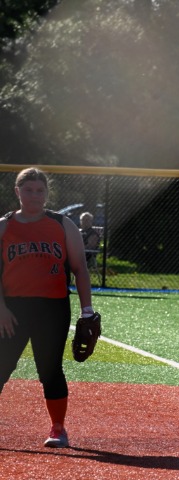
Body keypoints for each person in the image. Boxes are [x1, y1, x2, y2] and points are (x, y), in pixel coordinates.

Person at [0, 168, 96, 448]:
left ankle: (58, 428)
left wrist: (87, 310)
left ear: (47, 193)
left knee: (50, 369)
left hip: (52, 308)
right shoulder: (4, 226)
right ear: (17, 192)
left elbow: (80, 269)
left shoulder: (63, 224)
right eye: (28, 190)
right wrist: (0, 308)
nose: (34, 195)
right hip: (12, 309)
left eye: (40, 190)